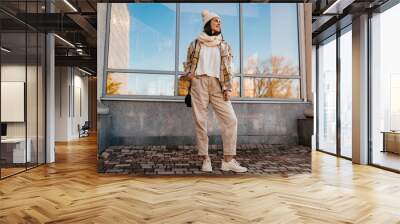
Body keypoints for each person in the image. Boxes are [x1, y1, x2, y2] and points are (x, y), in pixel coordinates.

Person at [183, 10, 247, 173]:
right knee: (201, 121)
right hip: (199, 83)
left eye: (220, 21)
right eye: (216, 20)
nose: (219, 23)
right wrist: (190, 75)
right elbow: (188, 62)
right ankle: (205, 158)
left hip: (218, 85)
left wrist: (227, 87)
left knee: (231, 120)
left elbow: (228, 69)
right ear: (208, 23)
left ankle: (228, 160)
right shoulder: (195, 43)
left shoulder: (224, 45)